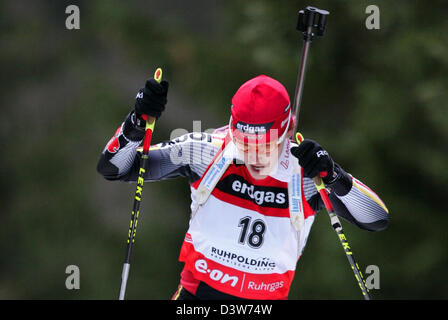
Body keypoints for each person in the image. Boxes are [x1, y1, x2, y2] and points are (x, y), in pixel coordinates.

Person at [97, 74, 389, 300]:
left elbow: (376, 219)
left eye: (264, 146)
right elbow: (114, 168)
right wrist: (137, 122)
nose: (254, 157)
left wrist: (335, 176)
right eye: (244, 145)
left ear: (289, 130)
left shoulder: (305, 173)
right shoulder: (205, 151)